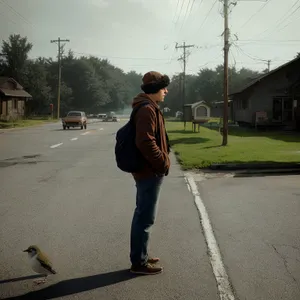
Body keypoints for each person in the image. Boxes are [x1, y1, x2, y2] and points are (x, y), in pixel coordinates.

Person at [129, 71, 171, 275]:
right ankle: (138, 263)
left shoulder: (149, 107)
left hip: (148, 170)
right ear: (154, 89)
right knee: (145, 218)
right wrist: (162, 162)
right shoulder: (147, 109)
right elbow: (144, 141)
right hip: (149, 171)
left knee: (144, 216)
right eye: (163, 88)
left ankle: (141, 256)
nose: (166, 91)